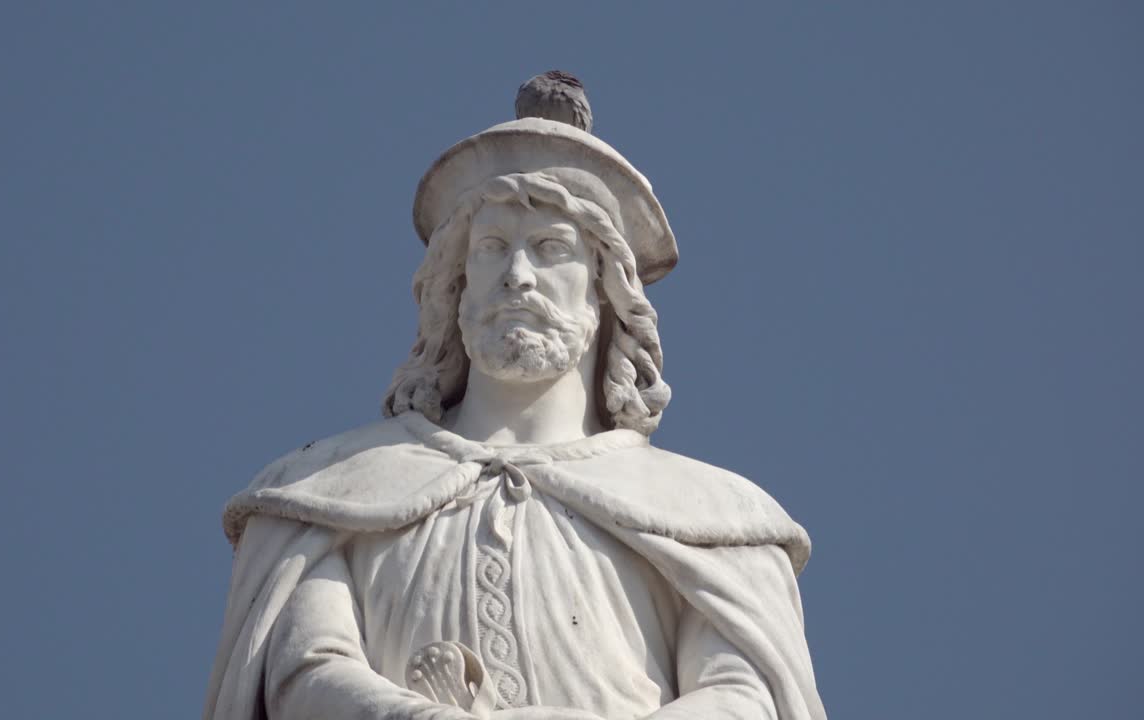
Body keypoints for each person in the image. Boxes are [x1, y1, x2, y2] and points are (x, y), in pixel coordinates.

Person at [204, 73, 826, 720]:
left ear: (605, 289)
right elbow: (302, 673)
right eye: (492, 248)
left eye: (551, 248)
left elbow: (745, 698)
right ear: (456, 284)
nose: (518, 276)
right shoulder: (326, 491)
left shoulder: (713, 517)